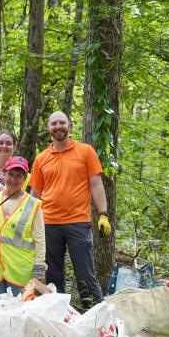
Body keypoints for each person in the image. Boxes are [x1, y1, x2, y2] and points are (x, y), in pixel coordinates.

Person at [30, 111, 111, 309]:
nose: (58, 126)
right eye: (54, 123)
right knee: (53, 276)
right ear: (48, 128)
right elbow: (35, 193)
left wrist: (103, 214)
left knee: (84, 274)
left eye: (62, 122)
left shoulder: (85, 151)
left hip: (78, 223)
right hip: (48, 224)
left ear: (70, 125)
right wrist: (30, 223)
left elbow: (96, 184)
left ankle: (95, 318)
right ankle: (60, 318)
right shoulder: (41, 158)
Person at [0, 156, 46, 298]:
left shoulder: (33, 204)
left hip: (21, 273)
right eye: (10, 174)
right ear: (3, 174)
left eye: (18, 176)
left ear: (25, 178)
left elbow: (39, 240)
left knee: (18, 317)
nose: (13, 180)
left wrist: (39, 269)